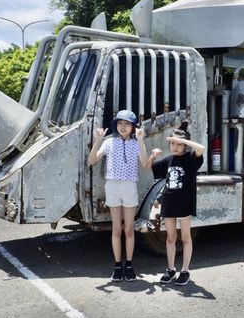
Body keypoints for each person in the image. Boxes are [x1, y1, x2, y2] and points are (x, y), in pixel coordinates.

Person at [88, 110, 150, 282]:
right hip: (113, 186)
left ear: (132, 127)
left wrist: (141, 141)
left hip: (130, 186)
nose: (123, 127)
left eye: (127, 124)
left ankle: (129, 264)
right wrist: (98, 140)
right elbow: (91, 161)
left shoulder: (136, 143)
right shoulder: (109, 143)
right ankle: (117, 265)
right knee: (116, 229)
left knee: (129, 229)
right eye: (120, 124)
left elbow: (145, 165)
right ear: (116, 125)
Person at [148, 120, 205, 286]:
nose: (175, 147)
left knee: (186, 237)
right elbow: (151, 169)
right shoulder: (169, 160)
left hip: (185, 204)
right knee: (170, 237)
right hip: (169, 204)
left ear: (185, 145)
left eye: (178, 144)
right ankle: (171, 269)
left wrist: (183, 140)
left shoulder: (190, 159)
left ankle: (185, 270)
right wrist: (153, 156)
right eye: (172, 143)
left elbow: (201, 148)